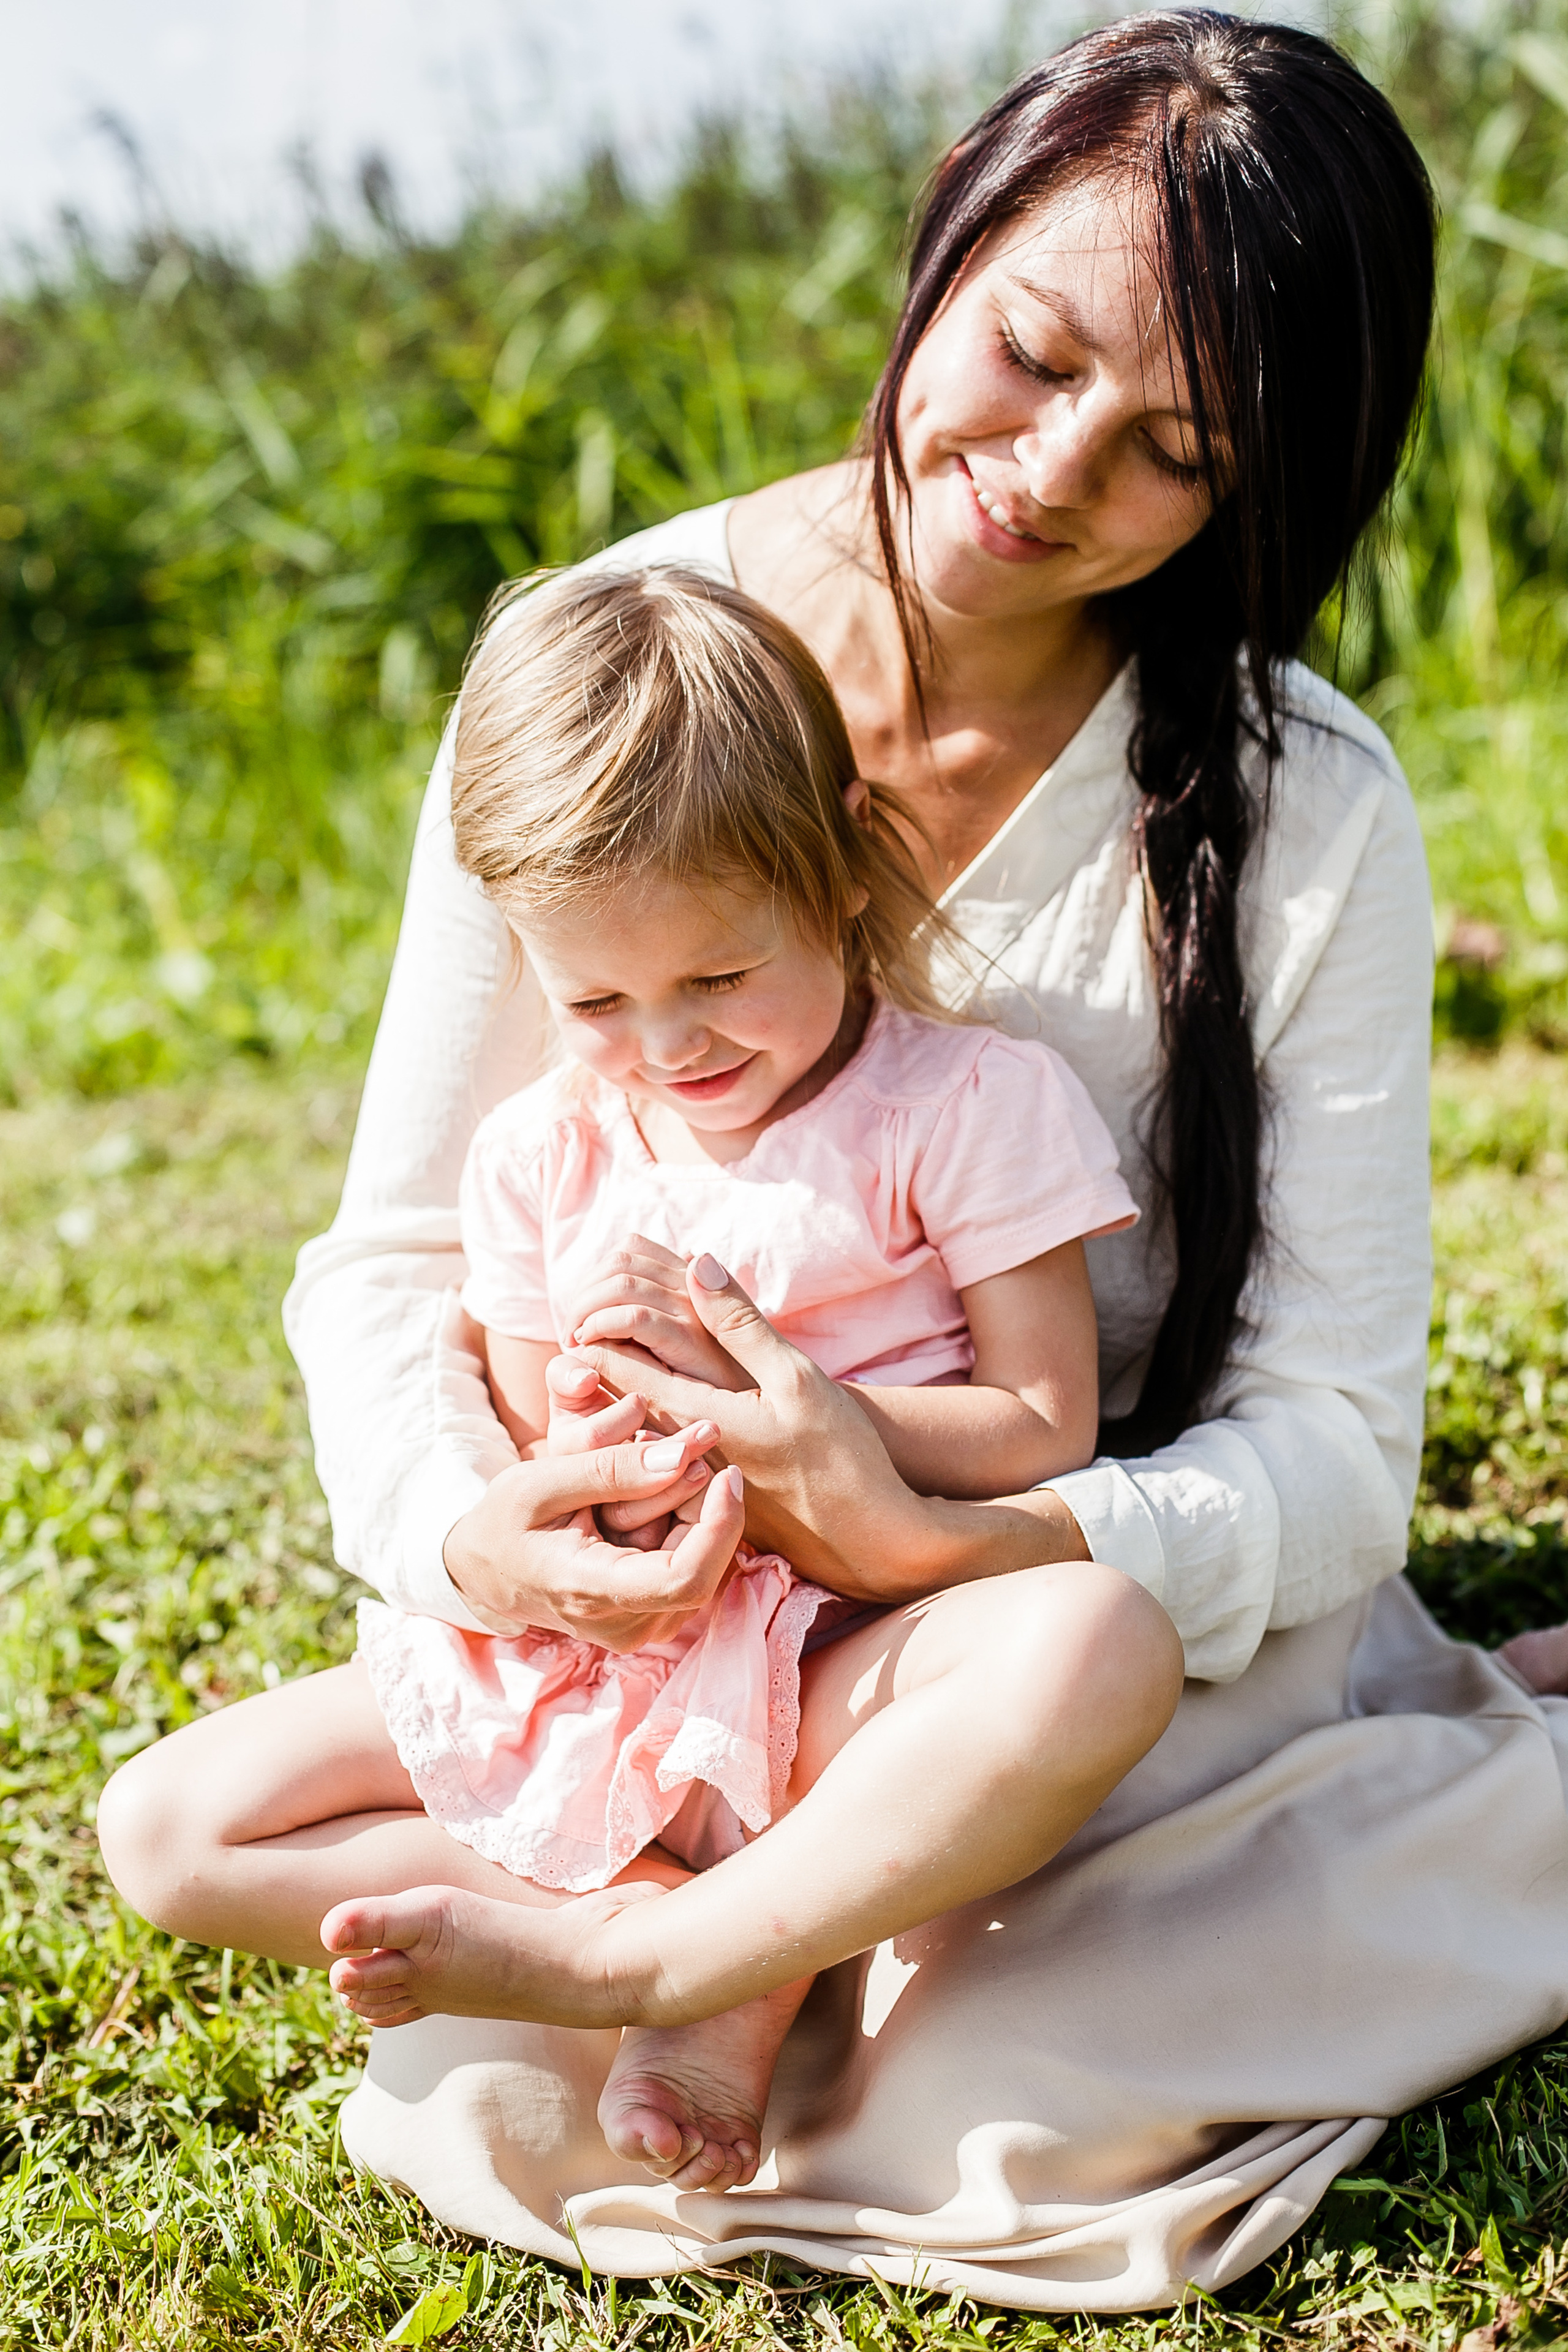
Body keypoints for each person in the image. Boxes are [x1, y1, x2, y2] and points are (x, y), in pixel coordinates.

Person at [97, 8, 1568, 2313]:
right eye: (1030, 351)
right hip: (659, 1639)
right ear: (951, 230)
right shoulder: (597, 678)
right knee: (228, 1842)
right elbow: (395, 1257)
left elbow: (1329, 1441)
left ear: (1263, 488)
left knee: (1025, 2019)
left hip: (1013, 1606)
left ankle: (700, 1947)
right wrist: (484, 1533)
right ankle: (730, 1928)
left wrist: (923, 1517)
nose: (1054, 470)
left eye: (1177, 448)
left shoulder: (1298, 809)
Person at [98, 562, 1170, 2200]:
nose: (669, 1046)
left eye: (719, 979)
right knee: (164, 1827)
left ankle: (676, 1979)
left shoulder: (963, 1104)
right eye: (595, 999)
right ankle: (644, 1921)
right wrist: (585, 1464)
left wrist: (817, 1417)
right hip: (603, 1671)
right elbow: (533, 1428)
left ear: (838, 872)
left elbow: (1047, 1423)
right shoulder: (546, 1149)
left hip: (836, 1650)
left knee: (1098, 1638)